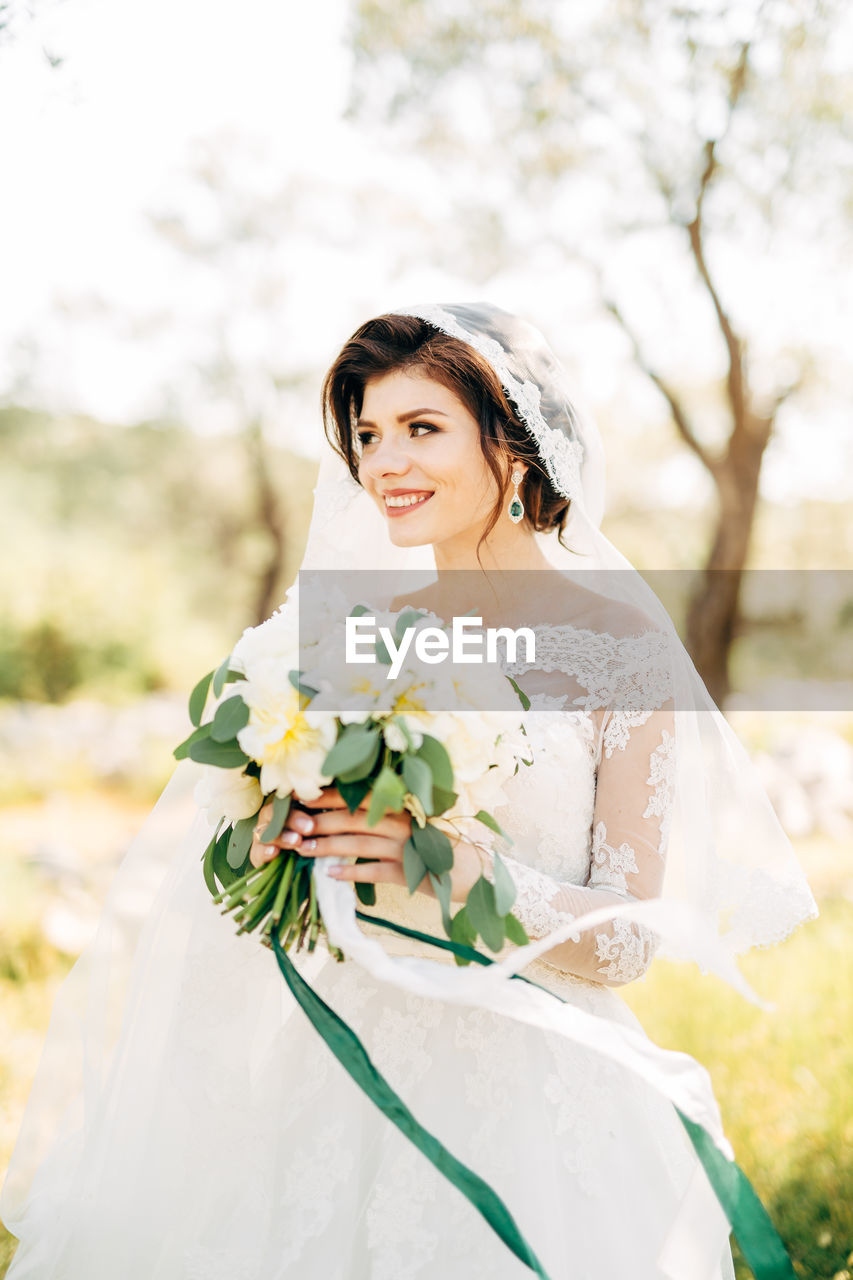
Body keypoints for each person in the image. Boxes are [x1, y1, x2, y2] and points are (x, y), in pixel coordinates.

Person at [0, 303, 817, 1279]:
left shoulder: (619, 652)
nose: (384, 461)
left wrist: (458, 868)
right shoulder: (345, 634)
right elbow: (238, 878)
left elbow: (628, 937)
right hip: (324, 1074)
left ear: (514, 446)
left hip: (528, 1097)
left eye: (421, 428)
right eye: (369, 433)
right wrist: (271, 837)